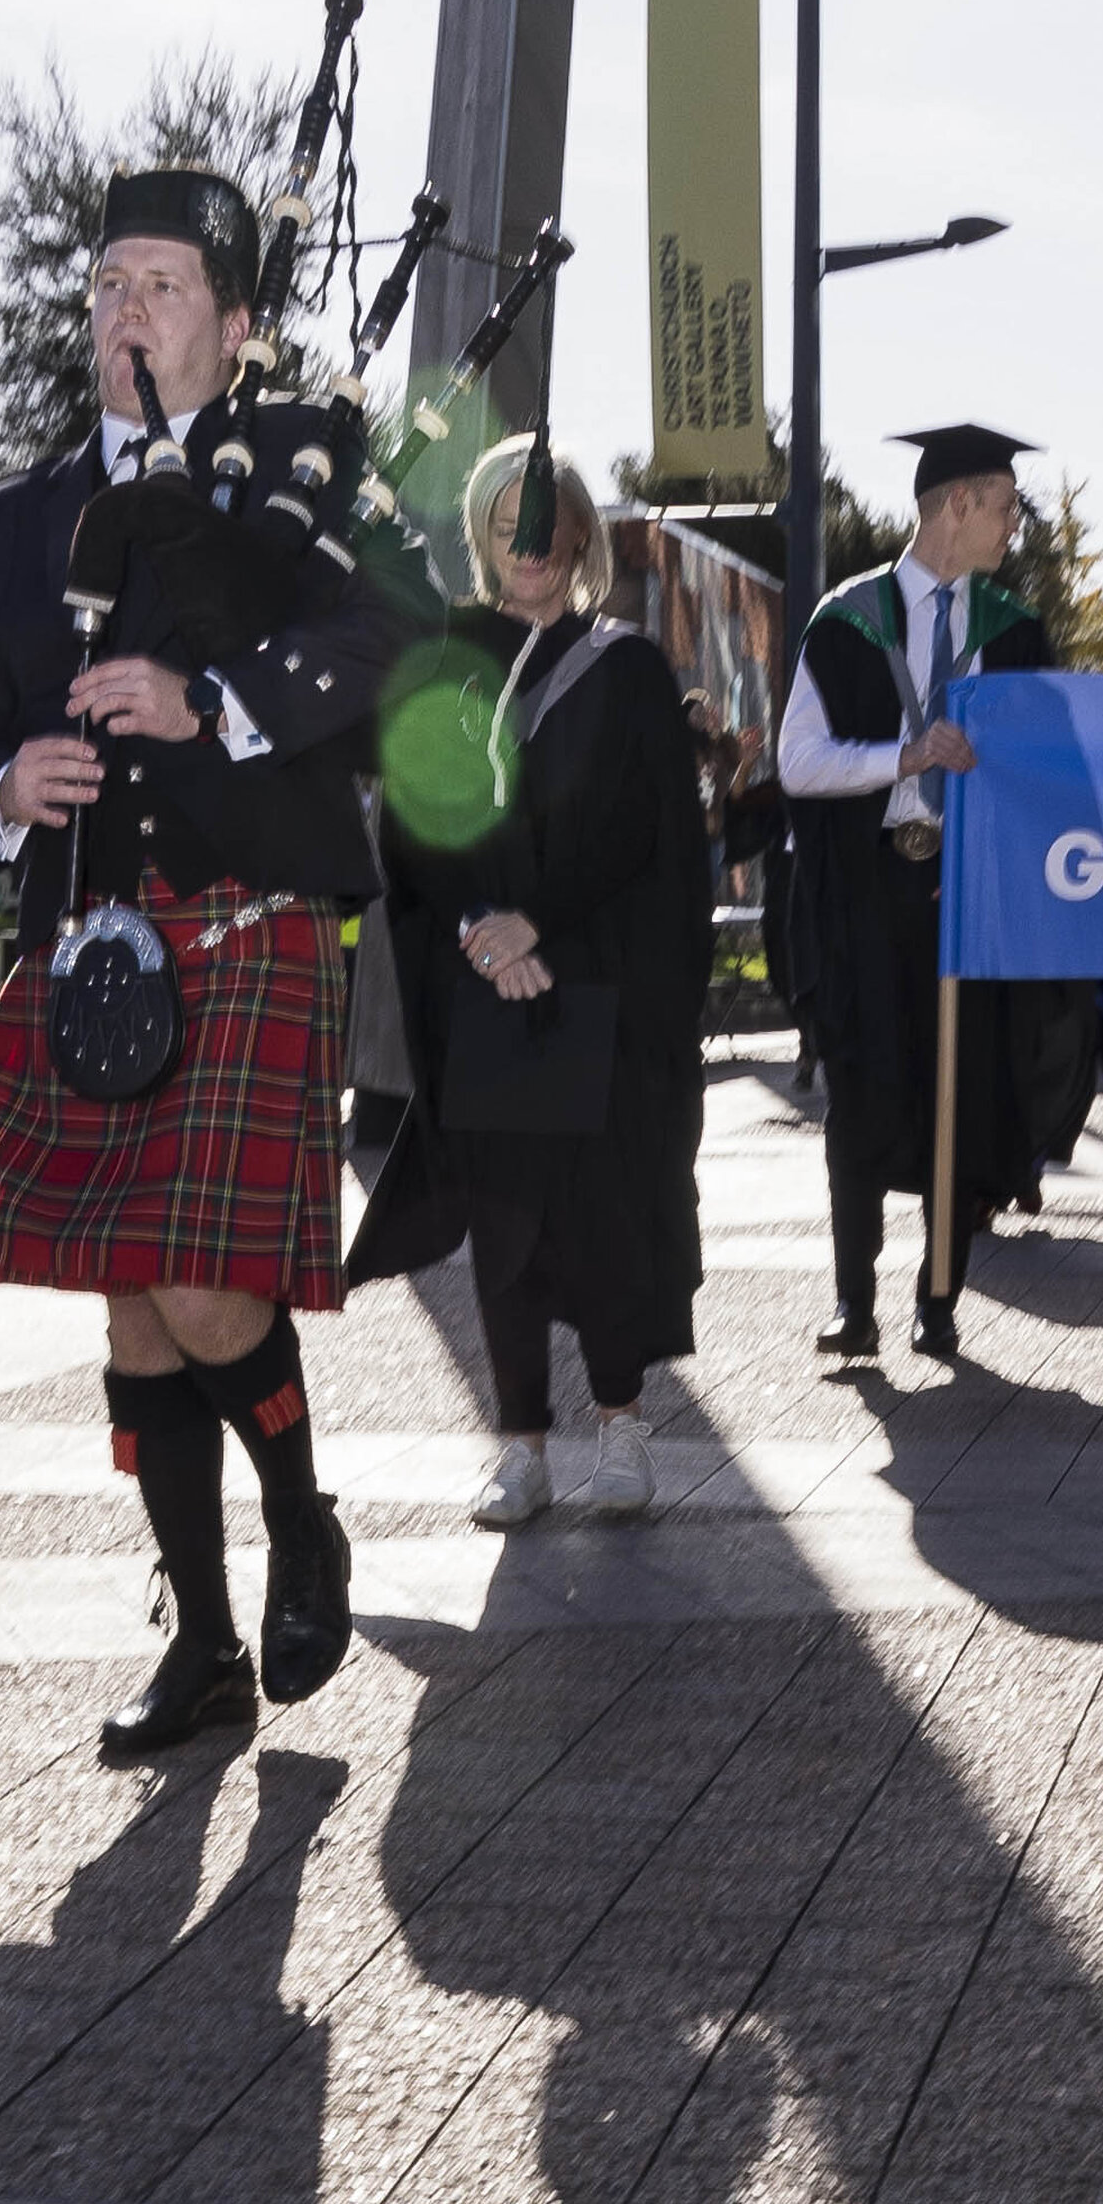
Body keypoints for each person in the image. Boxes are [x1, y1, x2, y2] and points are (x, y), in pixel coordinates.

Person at [0, 166, 401, 1757]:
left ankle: (304, 1526)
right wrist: (2, 784)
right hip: (92, 947)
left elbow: (401, 651)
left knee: (197, 1281)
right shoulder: (19, 521)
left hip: (248, 924)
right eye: (109, 281)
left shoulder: (316, 481)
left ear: (238, 326)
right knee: (129, 1303)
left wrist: (221, 706)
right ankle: (200, 1641)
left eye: (164, 284)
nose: (126, 306)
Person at [380, 436, 712, 1530]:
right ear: (482, 542)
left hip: (597, 986)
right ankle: (520, 1446)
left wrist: (543, 924)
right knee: (506, 1226)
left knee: (607, 1218)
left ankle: (620, 1426)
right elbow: (420, 816)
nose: (527, 548)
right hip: (485, 990)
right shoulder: (442, 661)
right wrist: (482, 924)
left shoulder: (625, 670)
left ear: (578, 536)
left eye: (546, 524)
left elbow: (645, 838)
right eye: (503, 527)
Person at [776, 420, 1094, 1365]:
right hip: (867, 893)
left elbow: (1050, 771)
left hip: (971, 898)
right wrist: (903, 755)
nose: (1011, 528)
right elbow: (798, 761)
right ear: (954, 505)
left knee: (964, 1088)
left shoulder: (1015, 630)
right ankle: (854, 1298)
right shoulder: (847, 619)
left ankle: (939, 1295)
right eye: (1002, 507)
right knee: (863, 1093)